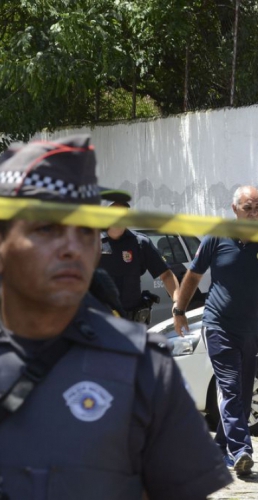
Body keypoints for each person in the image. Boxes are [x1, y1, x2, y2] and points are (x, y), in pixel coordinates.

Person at [0, 135, 232, 500]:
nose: (72, 247)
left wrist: (177, 306)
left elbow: (167, 273)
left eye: (85, 230)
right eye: (47, 228)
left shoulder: (145, 370)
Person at [173, 185, 258, 476]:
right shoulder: (217, 238)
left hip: (253, 329)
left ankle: (220, 450)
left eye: (257, 208)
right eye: (248, 208)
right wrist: (180, 311)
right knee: (229, 387)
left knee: (243, 393)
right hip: (218, 325)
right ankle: (242, 449)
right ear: (234, 210)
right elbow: (193, 276)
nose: (254, 214)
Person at [99, 198, 180, 324]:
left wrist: (177, 302)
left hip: (133, 324)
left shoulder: (140, 243)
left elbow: (166, 274)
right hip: (102, 324)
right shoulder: (91, 243)